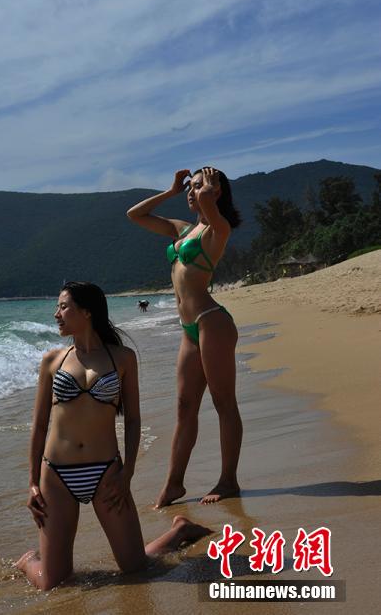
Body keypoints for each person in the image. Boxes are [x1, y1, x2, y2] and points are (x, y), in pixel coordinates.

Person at [15, 281, 210, 591]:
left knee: (137, 569)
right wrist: (32, 482)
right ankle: (29, 560)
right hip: (56, 475)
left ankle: (180, 530)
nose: (56, 314)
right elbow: (39, 426)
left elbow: (132, 420)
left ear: (87, 312)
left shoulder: (123, 358)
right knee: (53, 584)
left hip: (106, 471)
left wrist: (127, 472)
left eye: (63, 307)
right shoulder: (52, 361)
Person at [127, 167, 242, 507]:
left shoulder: (219, 229)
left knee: (223, 403)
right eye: (191, 187)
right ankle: (174, 484)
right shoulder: (183, 229)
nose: (193, 191)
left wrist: (208, 185)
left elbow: (207, 201)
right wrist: (171, 190)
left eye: (199, 186)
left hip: (211, 323)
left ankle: (228, 480)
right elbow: (135, 215)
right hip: (189, 330)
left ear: (216, 192)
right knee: (184, 406)